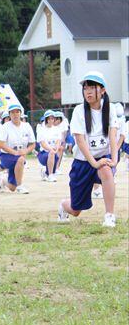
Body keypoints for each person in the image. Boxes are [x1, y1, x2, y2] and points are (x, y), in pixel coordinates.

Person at [58, 71, 119, 227]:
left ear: (103, 90)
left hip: (102, 158)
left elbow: (112, 136)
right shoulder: (79, 111)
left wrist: (114, 160)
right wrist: (94, 163)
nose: (88, 92)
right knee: (75, 210)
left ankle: (109, 216)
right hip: (82, 163)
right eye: (85, 88)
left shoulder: (110, 109)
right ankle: (63, 205)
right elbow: (80, 141)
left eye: (92, 87)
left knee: (106, 171)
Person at [0, 103, 35, 194]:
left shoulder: (27, 126)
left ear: (21, 113)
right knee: (20, 159)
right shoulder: (5, 126)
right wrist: (15, 152)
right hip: (6, 155)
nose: (15, 114)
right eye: (12, 112)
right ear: (9, 114)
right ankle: (20, 186)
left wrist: (26, 151)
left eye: (17, 112)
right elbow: (1, 144)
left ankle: (3, 181)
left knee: (12, 187)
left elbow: (33, 144)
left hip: (20, 156)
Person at [37, 110, 61, 183]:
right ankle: (50, 175)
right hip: (43, 153)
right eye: (49, 118)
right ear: (46, 119)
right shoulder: (41, 129)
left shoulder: (56, 129)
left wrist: (56, 148)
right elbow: (43, 143)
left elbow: (58, 141)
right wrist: (51, 149)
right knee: (51, 153)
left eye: (52, 118)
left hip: (53, 152)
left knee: (54, 154)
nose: (51, 120)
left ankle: (45, 172)